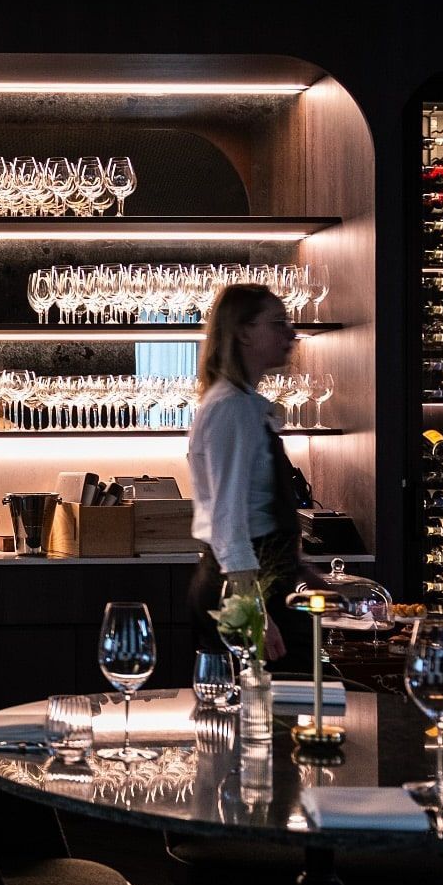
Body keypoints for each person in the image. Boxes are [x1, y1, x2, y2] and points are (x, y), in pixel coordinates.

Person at [187, 282, 310, 669]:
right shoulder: (231, 408)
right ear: (243, 332)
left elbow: (260, 512)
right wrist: (256, 612)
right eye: (277, 323)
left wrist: (306, 573)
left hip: (259, 582)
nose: (291, 333)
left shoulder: (245, 404)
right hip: (243, 589)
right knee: (268, 702)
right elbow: (228, 521)